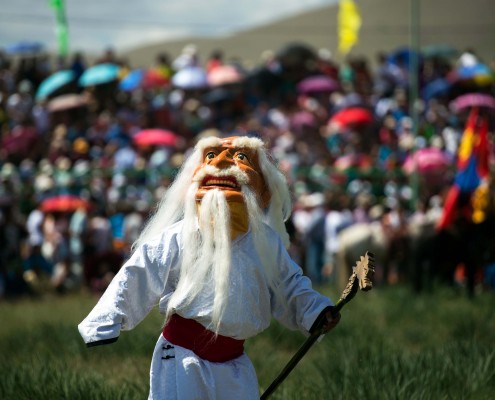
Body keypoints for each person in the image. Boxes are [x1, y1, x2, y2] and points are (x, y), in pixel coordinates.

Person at [78, 135, 341, 399]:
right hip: (181, 357)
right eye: (211, 158)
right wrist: (105, 321)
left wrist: (316, 311)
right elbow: (140, 272)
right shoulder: (178, 236)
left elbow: (289, 284)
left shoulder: (265, 242)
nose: (223, 166)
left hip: (234, 363)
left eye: (240, 159)